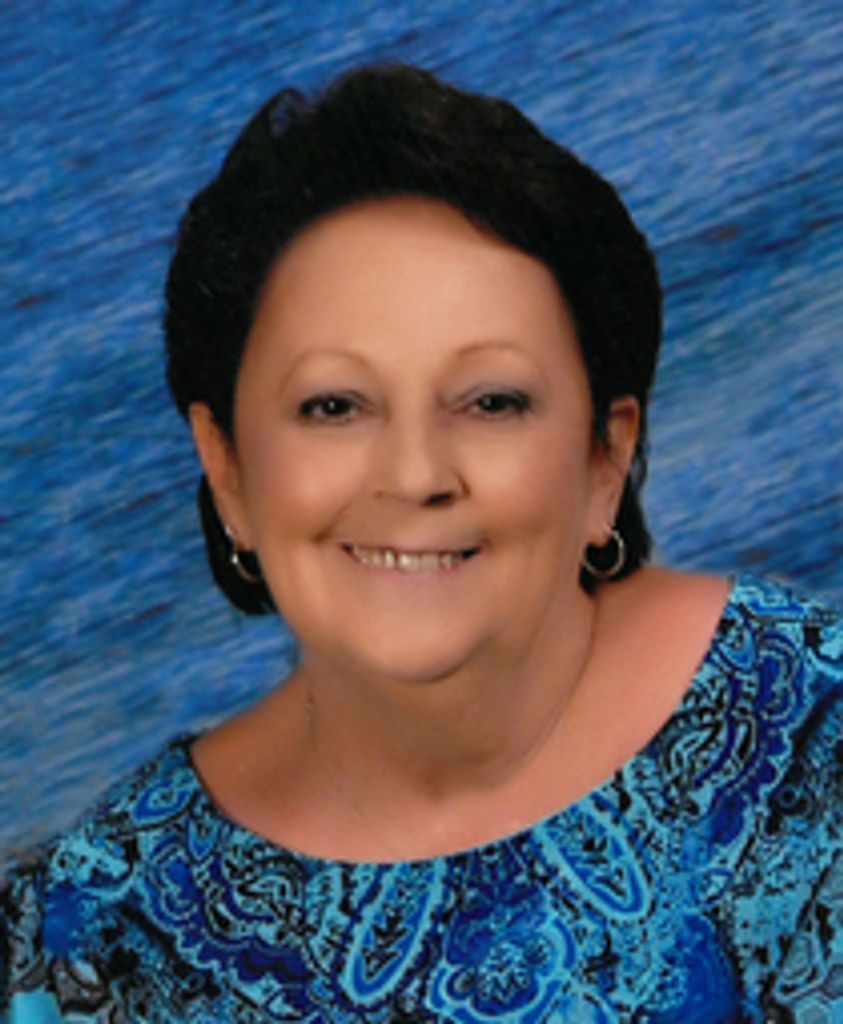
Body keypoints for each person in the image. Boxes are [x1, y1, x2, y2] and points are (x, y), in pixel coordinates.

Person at [2, 63, 841, 1024]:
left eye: (491, 401)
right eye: (333, 406)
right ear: (227, 468)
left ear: (603, 459)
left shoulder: (801, 740)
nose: (413, 474)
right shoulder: (91, 931)